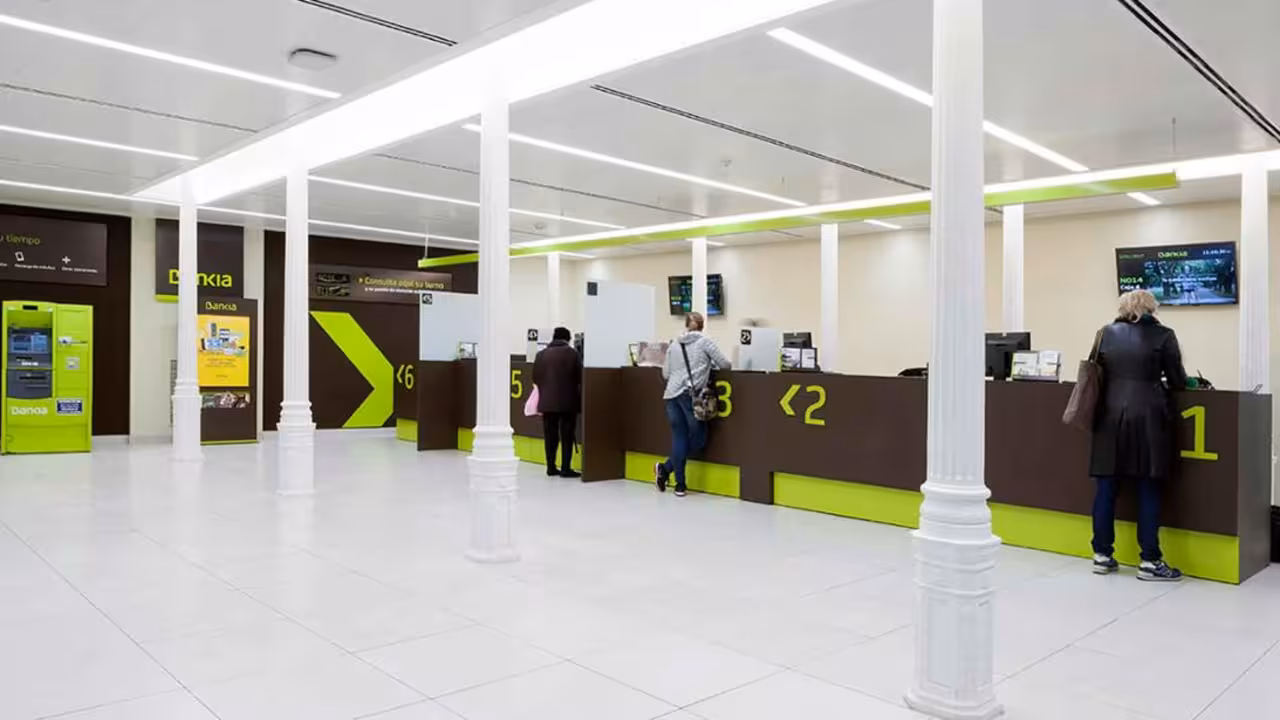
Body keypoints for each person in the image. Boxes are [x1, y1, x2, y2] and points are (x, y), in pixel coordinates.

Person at [1089, 289, 1187, 581]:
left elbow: (1094, 373)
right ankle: (1149, 560)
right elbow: (1178, 381)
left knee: (1106, 488)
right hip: (1149, 418)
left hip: (1108, 418)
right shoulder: (1164, 336)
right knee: (1148, 487)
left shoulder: (1105, 334)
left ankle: (1102, 555)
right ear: (1151, 309)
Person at [654, 312, 731, 496]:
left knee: (679, 438)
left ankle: (677, 482)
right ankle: (667, 470)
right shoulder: (705, 342)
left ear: (686, 325)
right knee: (698, 439)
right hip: (690, 395)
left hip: (671, 395)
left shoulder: (674, 344)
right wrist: (706, 366)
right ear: (702, 325)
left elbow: (665, 373)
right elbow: (725, 365)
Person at [532, 326, 582, 478]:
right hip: (568, 402)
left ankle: (551, 467)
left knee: (550, 436)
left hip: (547, 402)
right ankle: (566, 468)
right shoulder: (573, 353)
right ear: (568, 339)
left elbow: (535, 377)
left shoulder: (540, 355)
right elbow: (580, 376)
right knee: (567, 436)